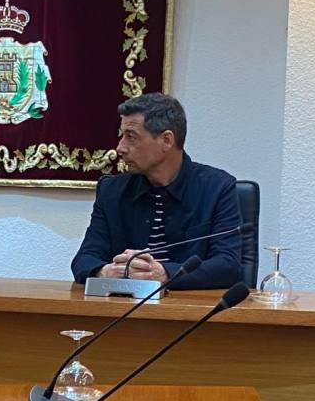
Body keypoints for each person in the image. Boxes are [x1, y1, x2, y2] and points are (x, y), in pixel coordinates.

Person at [71, 93, 241, 290]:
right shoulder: (112, 191)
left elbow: (228, 265)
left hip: (189, 305)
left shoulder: (217, 188)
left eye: (131, 137)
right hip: (125, 304)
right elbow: (84, 259)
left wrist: (165, 274)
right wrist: (105, 272)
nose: (120, 148)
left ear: (166, 140)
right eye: (122, 136)